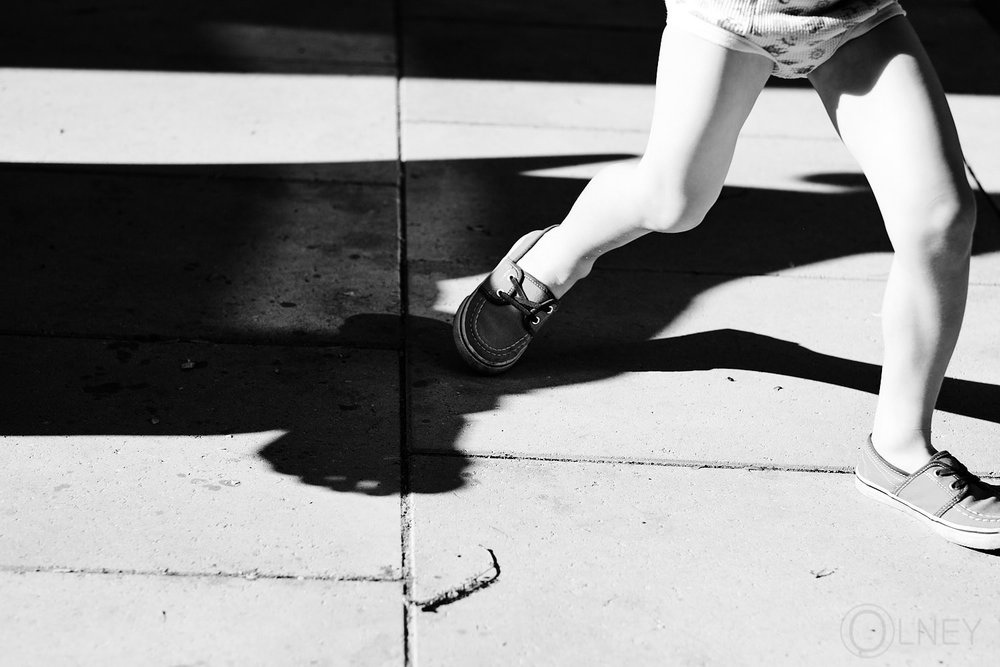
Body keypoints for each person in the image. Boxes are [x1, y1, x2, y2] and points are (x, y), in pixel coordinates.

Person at [451, 0, 1000, 550]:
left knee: (941, 217)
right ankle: (552, 259)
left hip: (856, 17)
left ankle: (899, 450)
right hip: (729, 14)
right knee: (673, 203)